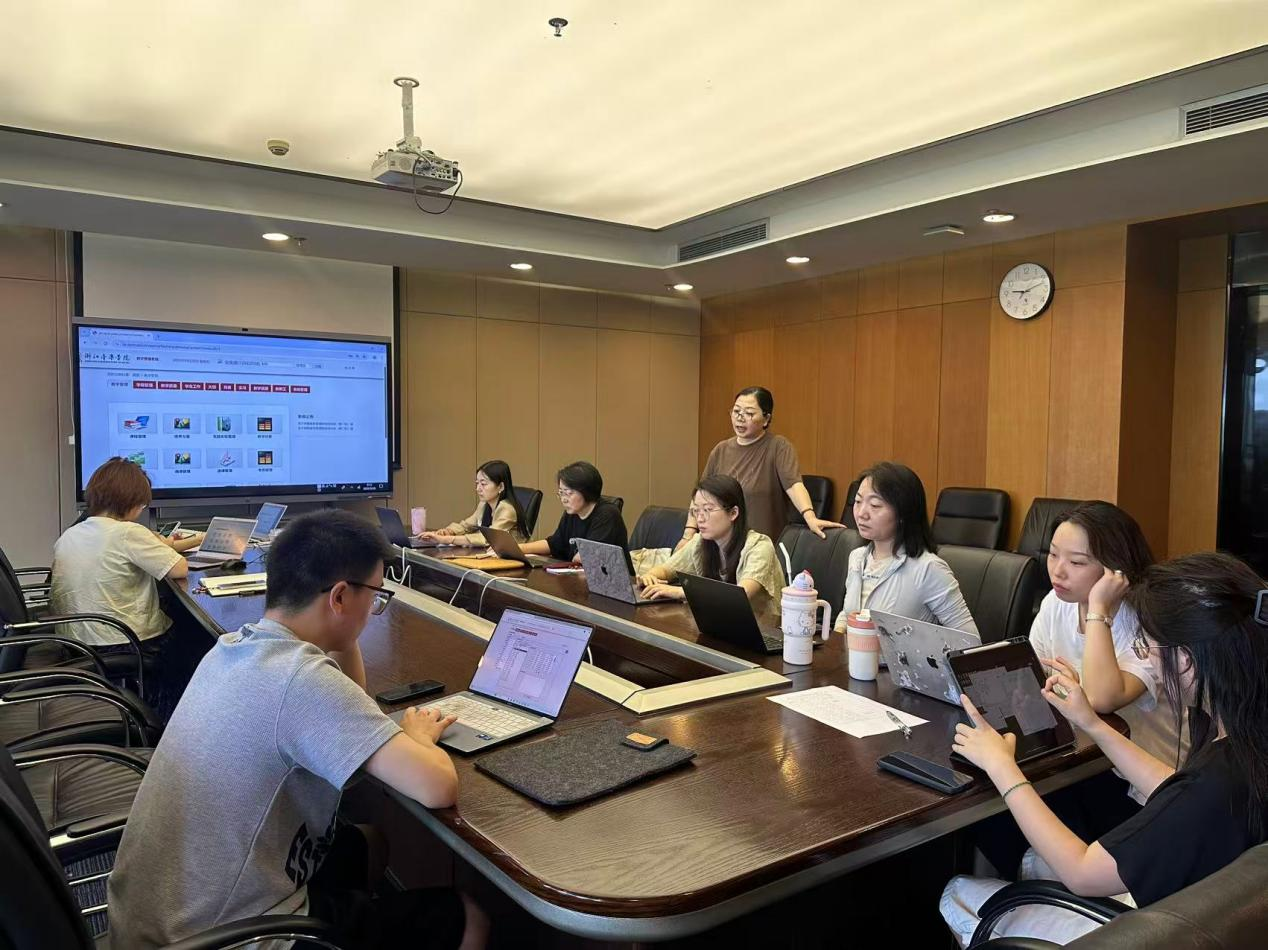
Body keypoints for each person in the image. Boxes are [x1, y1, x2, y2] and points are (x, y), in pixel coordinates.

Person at [107, 510, 488, 949]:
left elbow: (350, 699)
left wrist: (344, 631)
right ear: (339, 596)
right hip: (219, 938)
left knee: (367, 845)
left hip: (152, 922)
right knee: (469, 917)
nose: (375, 608)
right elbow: (438, 787)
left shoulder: (235, 646)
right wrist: (418, 737)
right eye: (375, 596)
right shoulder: (301, 681)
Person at [941, 552, 1268, 946]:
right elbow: (1182, 791)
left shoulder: (1215, 780)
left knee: (959, 892)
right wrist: (1092, 723)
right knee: (1035, 859)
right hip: (1221, 915)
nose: (1147, 658)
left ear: (1186, 661)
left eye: (1146, 647)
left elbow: (1082, 873)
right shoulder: (1245, 745)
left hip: (1157, 933)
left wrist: (1002, 767)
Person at [50, 456, 203, 648]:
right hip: (122, 640)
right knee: (196, 630)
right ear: (130, 501)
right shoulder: (127, 532)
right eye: (142, 504)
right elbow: (180, 569)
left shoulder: (71, 533)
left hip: (74, 641)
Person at [682, 386, 843, 547]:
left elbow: (794, 485)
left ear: (766, 419)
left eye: (749, 413)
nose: (740, 418)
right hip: (722, 545)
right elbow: (700, 496)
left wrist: (810, 516)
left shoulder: (778, 447)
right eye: (736, 411)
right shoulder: (721, 450)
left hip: (763, 545)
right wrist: (688, 534)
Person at [831, 461, 977, 636]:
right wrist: (836, 637)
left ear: (903, 512)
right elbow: (849, 612)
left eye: (875, 505)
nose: (861, 513)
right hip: (854, 653)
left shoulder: (928, 569)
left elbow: (970, 640)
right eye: (857, 501)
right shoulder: (857, 557)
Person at [636, 474, 785, 603]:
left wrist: (681, 592)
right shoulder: (700, 542)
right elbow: (666, 569)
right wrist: (650, 576)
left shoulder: (759, 546)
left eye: (707, 510)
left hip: (763, 626)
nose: (700, 519)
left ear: (733, 513)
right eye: (696, 511)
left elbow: (741, 595)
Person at [518, 461, 627, 563]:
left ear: (586, 491)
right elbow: (554, 544)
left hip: (607, 577)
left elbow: (586, 557)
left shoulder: (607, 514)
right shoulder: (572, 512)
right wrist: (519, 549)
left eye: (568, 493)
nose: (563, 499)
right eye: (561, 493)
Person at [418, 459, 529, 546]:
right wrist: (447, 531)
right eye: (477, 483)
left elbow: (488, 539)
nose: (478, 489)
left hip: (517, 561)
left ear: (500, 486)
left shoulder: (507, 510)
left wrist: (447, 539)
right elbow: (466, 526)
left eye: (483, 484)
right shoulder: (484, 504)